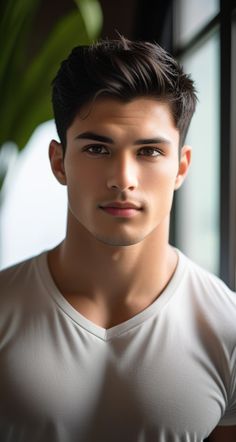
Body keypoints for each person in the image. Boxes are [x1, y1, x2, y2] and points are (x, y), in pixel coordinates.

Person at [0, 36, 235, 442]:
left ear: (181, 167)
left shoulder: (227, 327)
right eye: (96, 148)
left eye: (149, 152)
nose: (123, 180)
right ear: (59, 162)